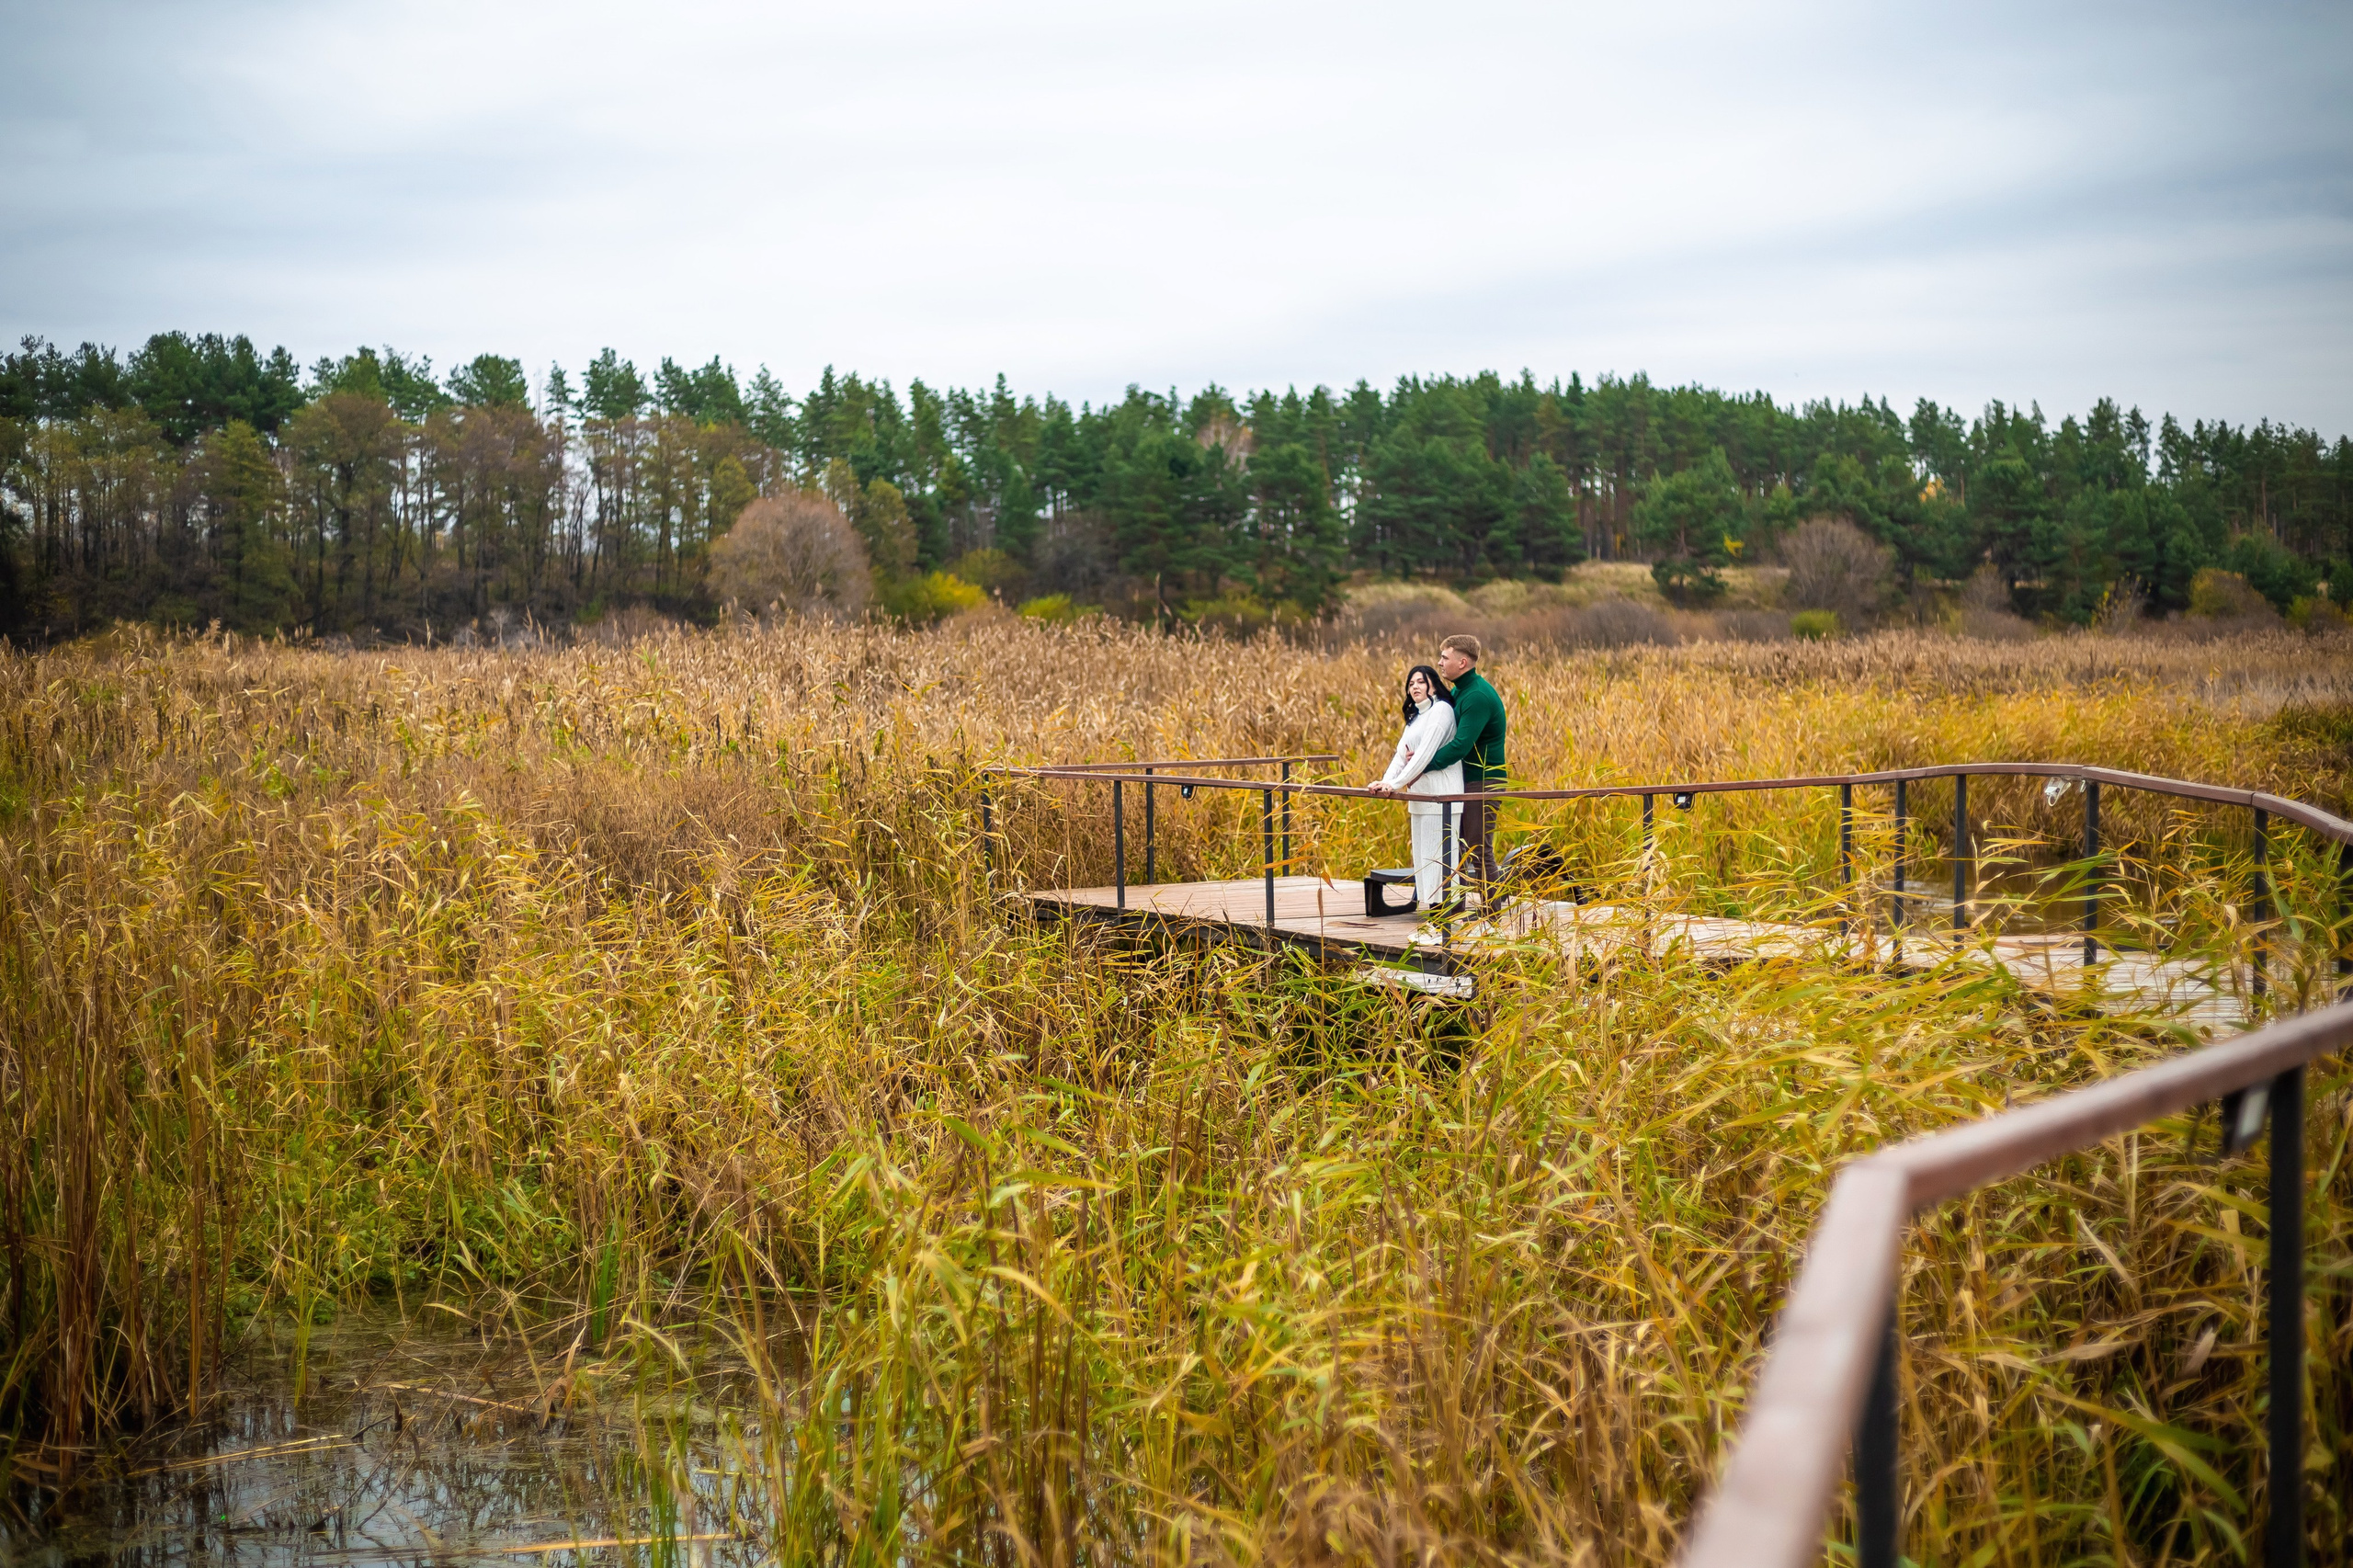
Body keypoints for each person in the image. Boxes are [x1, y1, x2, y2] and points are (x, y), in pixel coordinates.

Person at [1418, 633, 1506, 897]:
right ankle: (1454, 915)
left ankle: (1491, 919)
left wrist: (1424, 765)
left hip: (1483, 781)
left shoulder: (1477, 696)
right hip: (1463, 780)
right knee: (1454, 848)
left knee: (1479, 850)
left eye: (1445, 657)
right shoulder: (1460, 690)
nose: (1439, 662)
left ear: (1463, 662)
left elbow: (1461, 745)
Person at [1370, 664, 1462, 907]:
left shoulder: (1441, 710)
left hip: (1441, 798)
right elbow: (1402, 755)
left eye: (1420, 681)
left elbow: (1423, 756)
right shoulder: (1416, 718)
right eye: (1411, 684)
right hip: (1419, 798)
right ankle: (1432, 922)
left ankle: (1444, 925)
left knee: (1439, 862)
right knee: (1423, 862)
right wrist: (1385, 782)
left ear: (1433, 684)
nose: (1414, 687)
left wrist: (1396, 785)